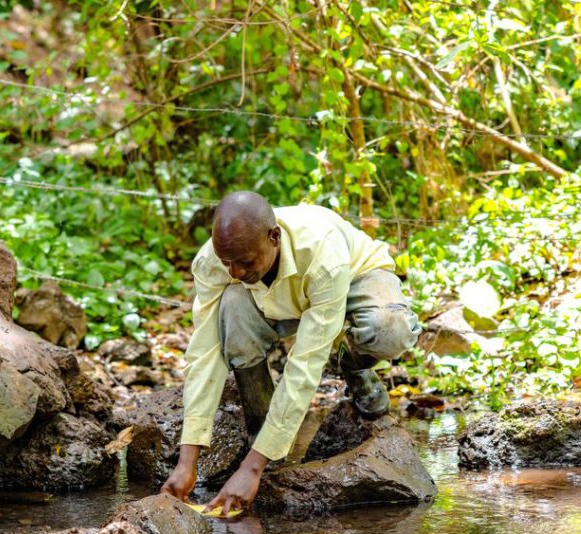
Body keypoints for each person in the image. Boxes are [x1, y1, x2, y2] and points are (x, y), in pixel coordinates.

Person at [160, 190, 421, 514]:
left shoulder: (324, 253)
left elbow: (304, 366)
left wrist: (250, 468)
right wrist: (188, 461)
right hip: (278, 299)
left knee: (389, 329)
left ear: (274, 237)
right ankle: (265, 443)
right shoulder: (217, 261)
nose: (235, 273)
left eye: (245, 262)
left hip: (355, 279)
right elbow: (205, 354)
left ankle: (349, 361)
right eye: (227, 262)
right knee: (232, 308)